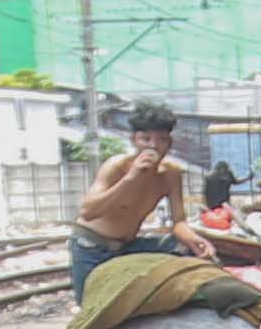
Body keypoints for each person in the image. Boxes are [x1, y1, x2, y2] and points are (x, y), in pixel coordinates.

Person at [70, 102, 195, 282]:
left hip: (127, 246)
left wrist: (194, 240)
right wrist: (130, 178)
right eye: (146, 139)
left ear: (169, 143)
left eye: (162, 139)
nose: (154, 146)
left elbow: (179, 222)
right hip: (91, 246)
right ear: (134, 140)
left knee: (181, 249)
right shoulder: (117, 166)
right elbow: (88, 212)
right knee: (95, 306)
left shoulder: (171, 174)